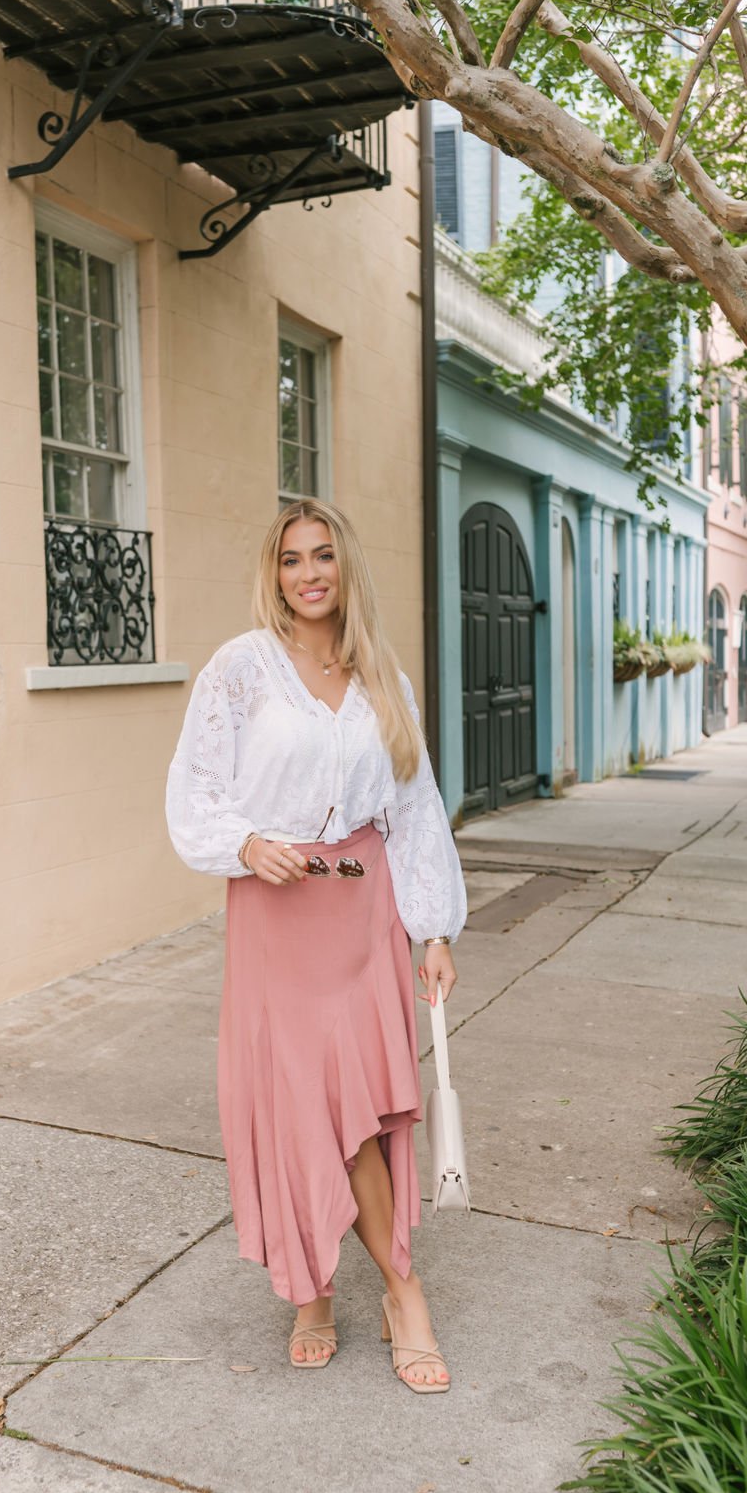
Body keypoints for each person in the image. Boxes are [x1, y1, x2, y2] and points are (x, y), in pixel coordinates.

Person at [165, 498, 467, 1394]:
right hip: (277, 915)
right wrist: (248, 844)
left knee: (358, 1115)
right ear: (275, 572)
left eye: (323, 556)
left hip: (363, 916)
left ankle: (387, 1293)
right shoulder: (242, 669)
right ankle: (321, 1292)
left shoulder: (382, 674)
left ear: (345, 568)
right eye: (292, 559)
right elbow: (195, 789)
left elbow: (413, 809)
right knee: (300, 1109)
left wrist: (434, 925)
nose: (309, 573)